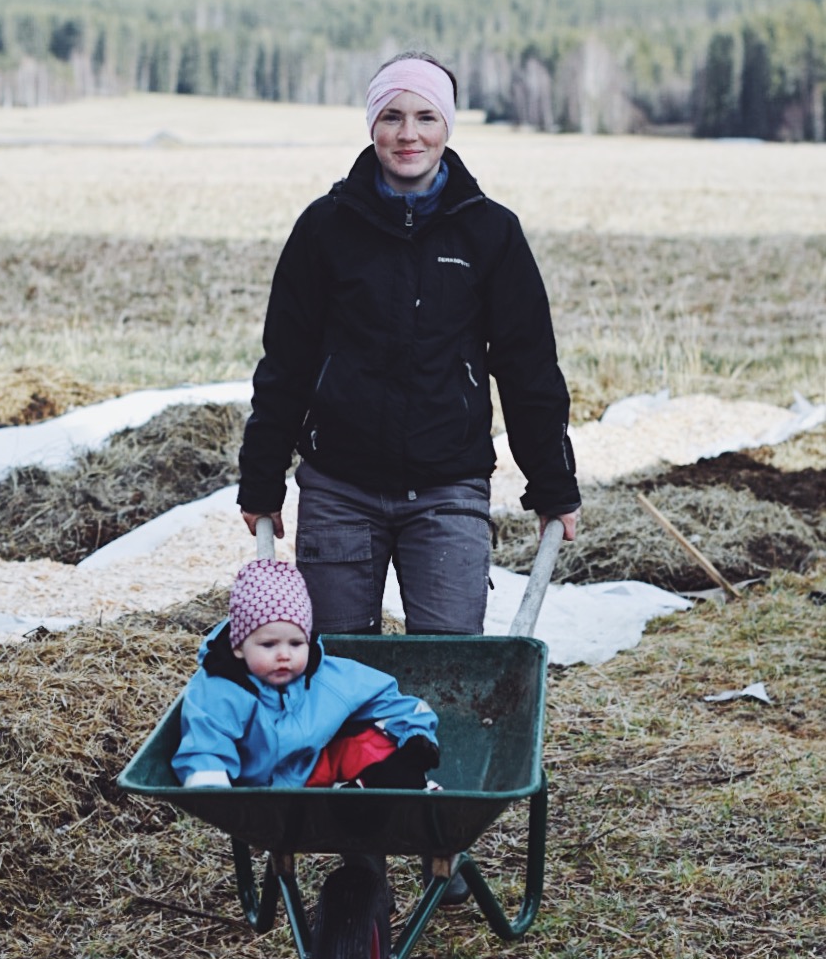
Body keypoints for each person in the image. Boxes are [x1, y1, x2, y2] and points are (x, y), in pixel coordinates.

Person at [237, 51, 579, 637]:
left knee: (449, 665)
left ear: (447, 124)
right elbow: (286, 364)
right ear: (372, 125)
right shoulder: (325, 228)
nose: (408, 134)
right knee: (339, 667)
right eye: (392, 116)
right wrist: (262, 477)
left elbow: (528, 370)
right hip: (339, 489)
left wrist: (552, 482)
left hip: (449, 490)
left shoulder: (490, 232)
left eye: (425, 117)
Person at [172, 558, 439, 790]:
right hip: (250, 792)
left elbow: (394, 702)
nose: (284, 655)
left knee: (370, 742)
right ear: (239, 647)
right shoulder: (220, 689)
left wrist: (416, 736)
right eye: (268, 645)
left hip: (311, 772)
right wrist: (213, 790)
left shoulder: (326, 677)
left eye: (296, 644)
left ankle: (368, 799)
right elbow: (206, 744)